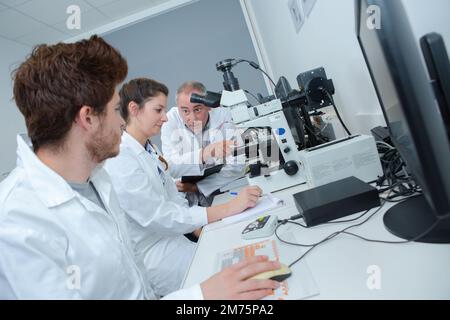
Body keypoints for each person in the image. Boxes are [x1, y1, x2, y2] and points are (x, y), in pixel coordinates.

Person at [0, 36, 281, 299]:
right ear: (88, 118)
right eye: (114, 110)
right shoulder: (18, 223)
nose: (122, 123)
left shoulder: (95, 177)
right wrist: (200, 296)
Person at [104, 78, 263, 297]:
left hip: (175, 240)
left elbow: (172, 190)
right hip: (156, 256)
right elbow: (159, 216)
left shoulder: (148, 148)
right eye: (159, 110)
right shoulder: (121, 157)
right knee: (233, 281)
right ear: (134, 109)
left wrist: (205, 232)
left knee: (237, 267)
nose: (164, 117)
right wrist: (229, 208)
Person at [161, 81, 246, 207]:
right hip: (182, 195)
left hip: (219, 187)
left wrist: (198, 187)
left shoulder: (224, 115)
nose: (192, 118)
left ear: (208, 106)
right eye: (185, 111)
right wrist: (204, 154)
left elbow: (239, 164)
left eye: (198, 109)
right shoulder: (169, 121)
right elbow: (170, 166)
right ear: (178, 108)